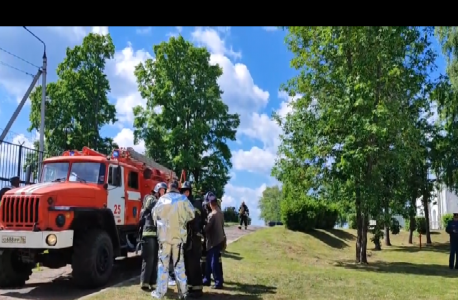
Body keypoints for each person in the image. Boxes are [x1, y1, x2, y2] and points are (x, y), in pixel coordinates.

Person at [151, 180, 195, 300]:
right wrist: (182, 221)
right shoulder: (183, 200)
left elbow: (154, 214)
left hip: (164, 238)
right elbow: (192, 214)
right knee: (179, 265)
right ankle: (183, 292)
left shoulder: (161, 200)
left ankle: (160, 292)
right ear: (177, 188)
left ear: (168, 188)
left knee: (163, 265)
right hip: (178, 238)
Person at [139, 182, 167, 290]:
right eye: (162, 190)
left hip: (156, 235)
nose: (164, 192)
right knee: (149, 258)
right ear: (157, 190)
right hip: (148, 233)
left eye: (165, 191)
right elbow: (151, 204)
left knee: (155, 259)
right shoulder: (150, 198)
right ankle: (144, 283)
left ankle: (153, 282)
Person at [181, 181, 204, 298]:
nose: (182, 195)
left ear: (188, 192)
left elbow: (191, 220)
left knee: (193, 264)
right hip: (191, 238)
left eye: (183, 192)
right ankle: (191, 288)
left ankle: (196, 290)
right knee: (189, 264)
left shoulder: (192, 204)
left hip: (193, 238)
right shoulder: (193, 204)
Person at [203, 193, 225, 289]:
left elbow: (206, 229)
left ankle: (218, 282)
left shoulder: (212, 215)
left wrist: (202, 225)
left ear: (210, 203)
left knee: (213, 262)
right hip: (219, 240)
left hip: (213, 242)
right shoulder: (220, 212)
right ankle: (206, 279)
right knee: (209, 261)